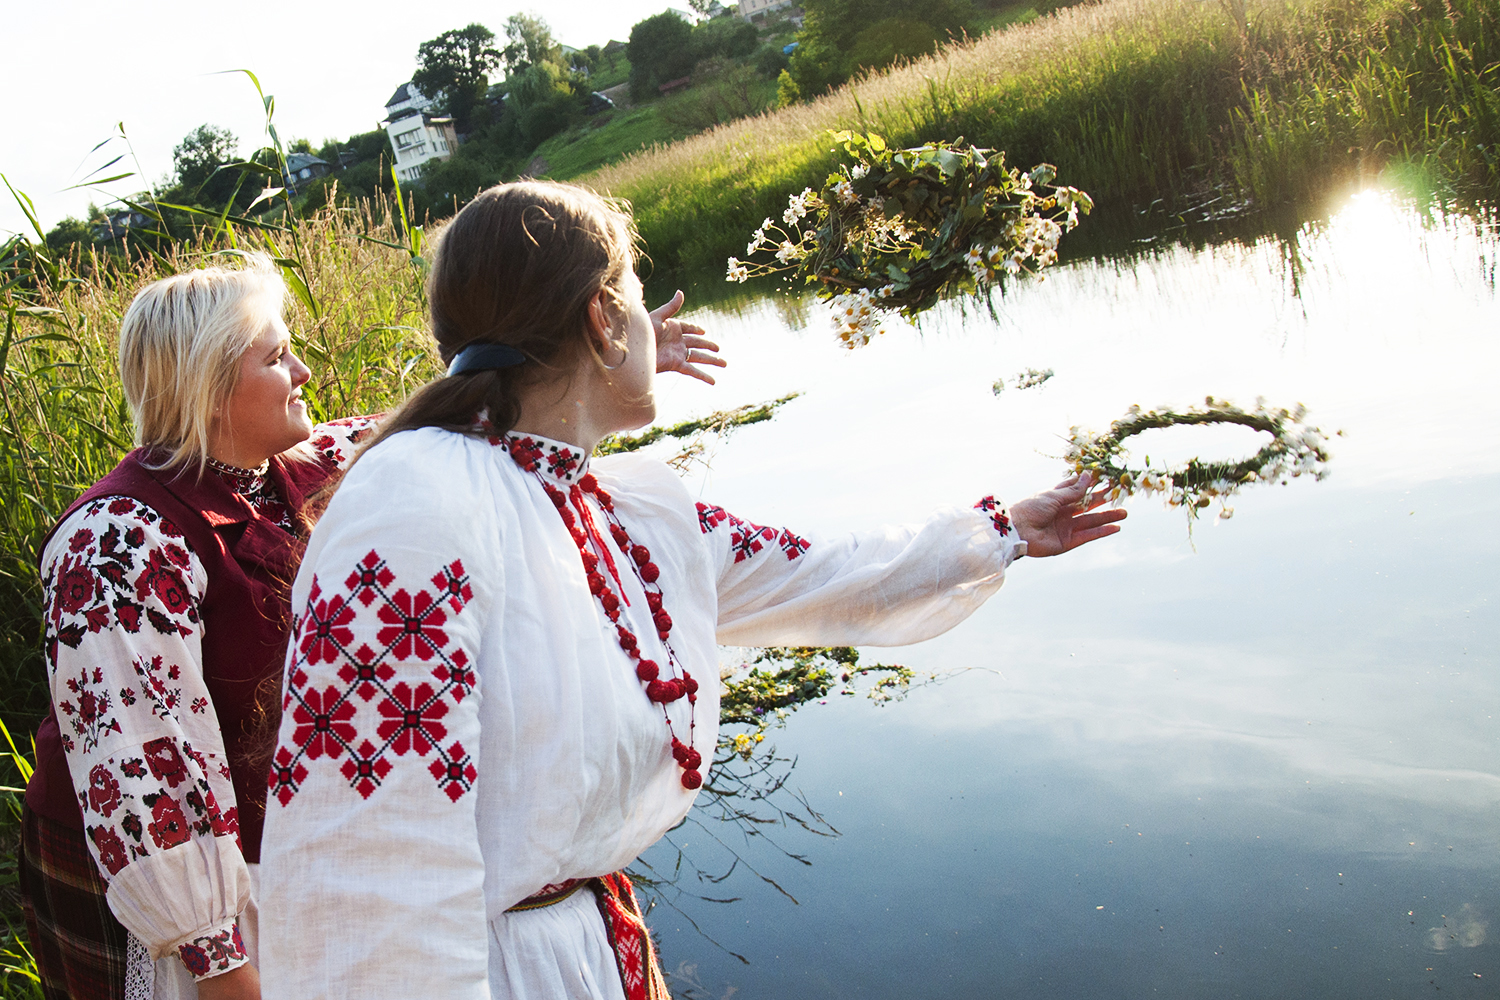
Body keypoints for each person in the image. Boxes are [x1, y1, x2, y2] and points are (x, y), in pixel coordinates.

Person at [257, 180, 1125, 1000]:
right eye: (636, 292)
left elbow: (823, 569)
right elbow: (365, 858)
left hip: (588, 950)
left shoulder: (627, 511)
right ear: (604, 319)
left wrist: (1000, 531)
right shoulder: (417, 495)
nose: (647, 312)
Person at [15, 251, 726, 1000]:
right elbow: (146, 778)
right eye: (278, 357)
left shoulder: (317, 460)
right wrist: (219, 966)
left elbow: (469, 425)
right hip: (155, 880)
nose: (305, 375)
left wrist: (608, 359)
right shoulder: (118, 541)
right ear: (210, 383)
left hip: (271, 849)